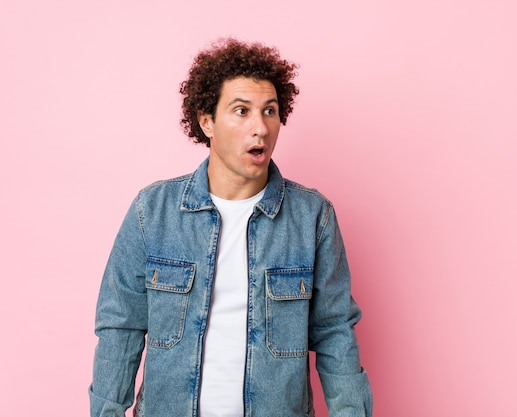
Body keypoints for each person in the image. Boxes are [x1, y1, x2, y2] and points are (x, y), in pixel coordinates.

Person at [89, 38, 372, 417]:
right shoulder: (152, 211)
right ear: (207, 121)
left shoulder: (312, 216)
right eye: (242, 111)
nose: (260, 127)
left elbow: (335, 331)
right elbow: (120, 326)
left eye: (270, 111)